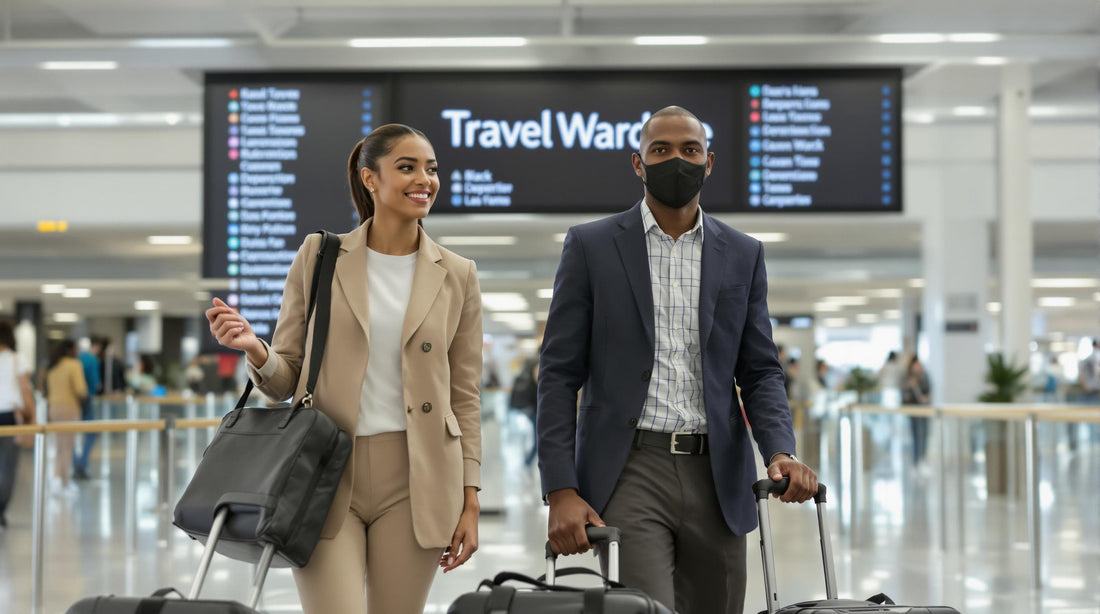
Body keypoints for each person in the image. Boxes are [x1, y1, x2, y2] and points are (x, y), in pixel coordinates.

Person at [537, 106, 817, 614]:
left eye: (689, 150)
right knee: (645, 609)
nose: (676, 161)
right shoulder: (591, 246)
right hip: (629, 470)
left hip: (718, 474)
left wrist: (780, 450)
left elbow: (759, 370)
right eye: (660, 150)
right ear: (637, 164)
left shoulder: (743, 253)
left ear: (709, 162)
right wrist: (560, 488)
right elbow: (558, 375)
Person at [205, 124, 483, 614]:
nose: (425, 179)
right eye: (408, 167)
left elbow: (464, 395)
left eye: (432, 169)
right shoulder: (320, 255)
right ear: (369, 179)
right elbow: (288, 377)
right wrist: (254, 348)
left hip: (418, 477)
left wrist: (470, 497)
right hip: (324, 470)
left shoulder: (458, 273)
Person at [0, 321, 35, 528]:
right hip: (9, 416)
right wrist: (32, 416)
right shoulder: (16, 359)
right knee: (8, 466)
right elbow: (25, 389)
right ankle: (1, 508)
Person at [45, 339, 87, 494]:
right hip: (69, 408)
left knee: (59, 445)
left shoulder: (53, 366)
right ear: (71, 350)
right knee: (67, 447)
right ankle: (65, 482)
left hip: (54, 408)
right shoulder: (73, 365)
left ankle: (57, 478)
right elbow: (80, 389)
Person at [73, 337, 103, 480]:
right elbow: (95, 383)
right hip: (86, 398)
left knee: (71, 434)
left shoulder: (76, 358)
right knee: (91, 433)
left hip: (72, 401)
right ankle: (82, 462)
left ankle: (76, 463)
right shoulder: (92, 360)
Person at [508, 356, 539, 466]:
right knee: (537, 439)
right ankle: (527, 462)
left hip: (526, 408)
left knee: (531, 437)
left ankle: (527, 461)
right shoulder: (537, 363)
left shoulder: (528, 366)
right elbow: (537, 381)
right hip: (533, 409)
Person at [902, 356, 931, 465]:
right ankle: (916, 460)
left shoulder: (925, 376)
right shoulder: (907, 378)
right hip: (913, 411)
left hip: (925, 410)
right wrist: (912, 386)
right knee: (915, 435)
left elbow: (927, 395)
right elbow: (905, 396)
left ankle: (922, 458)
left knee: (924, 434)